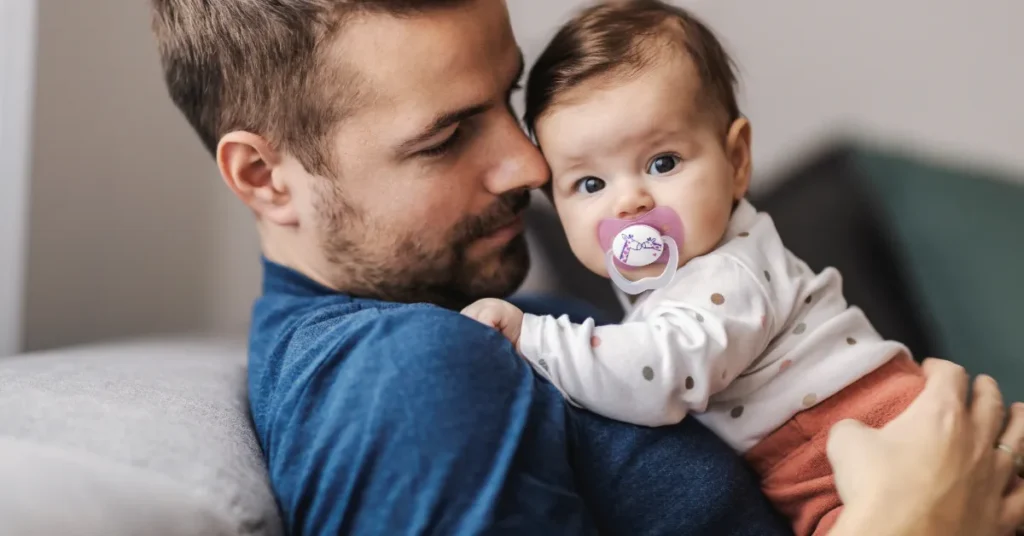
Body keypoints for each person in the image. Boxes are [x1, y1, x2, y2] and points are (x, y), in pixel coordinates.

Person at [147, 0, 1024, 534]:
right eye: (448, 135)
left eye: (508, 101)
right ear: (265, 178)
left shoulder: (488, 319)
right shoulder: (405, 374)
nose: (532, 168)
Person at [457, 2, 922, 533]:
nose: (628, 201)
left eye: (663, 162)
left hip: (856, 437)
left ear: (737, 161)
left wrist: (533, 339)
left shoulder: (729, 275)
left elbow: (658, 374)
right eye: (590, 184)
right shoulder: (686, 276)